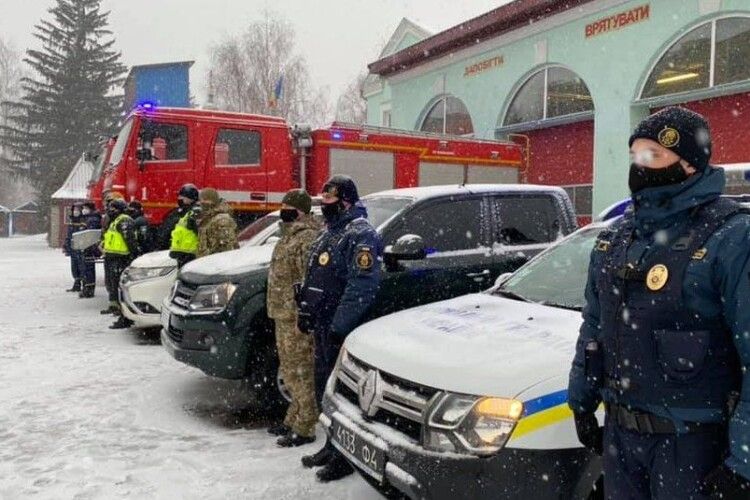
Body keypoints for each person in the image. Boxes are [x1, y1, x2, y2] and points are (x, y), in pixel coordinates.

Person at [568, 107, 750, 499]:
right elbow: (593, 323)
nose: (640, 166)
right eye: (636, 156)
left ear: (688, 164)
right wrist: (581, 399)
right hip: (621, 440)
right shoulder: (617, 238)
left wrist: (744, 463)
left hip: (694, 447)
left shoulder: (732, 238)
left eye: (653, 156)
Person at [296, 175, 383, 482]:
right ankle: (331, 444)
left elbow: (363, 285)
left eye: (329, 203)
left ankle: (345, 455)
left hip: (340, 329)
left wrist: (339, 325)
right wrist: (305, 306)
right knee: (323, 388)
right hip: (322, 324)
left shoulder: (360, 234)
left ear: (345, 202)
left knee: (342, 395)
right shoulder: (330, 232)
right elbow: (318, 273)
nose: (324, 208)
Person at [266, 189, 322, 447]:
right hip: (282, 313)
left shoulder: (307, 238)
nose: (283, 209)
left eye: (288, 206)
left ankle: (306, 426)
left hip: (295, 317)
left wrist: (304, 315)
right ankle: (293, 418)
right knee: (289, 371)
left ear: (299, 210)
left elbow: (307, 281)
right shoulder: (288, 236)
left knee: (301, 372)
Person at [102, 199, 138, 330]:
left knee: (120, 287)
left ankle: (124, 315)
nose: (110, 211)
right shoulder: (116, 220)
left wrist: (133, 255)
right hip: (112, 257)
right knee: (113, 284)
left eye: (113, 208)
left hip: (121, 258)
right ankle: (116, 308)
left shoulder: (124, 221)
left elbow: (130, 240)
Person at [100, 191, 125, 315]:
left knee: (116, 281)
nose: (108, 206)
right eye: (108, 202)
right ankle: (113, 303)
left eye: (111, 203)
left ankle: (119, 306)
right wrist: (102, 243)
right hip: (109, 253)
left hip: (118, 255)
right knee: (110, 281)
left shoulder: (121, 219)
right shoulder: (108, 217)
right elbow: (106, 233)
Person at [195, 188, 238, 258]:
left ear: (211, 201)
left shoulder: (222, 220)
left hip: (215, 264)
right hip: (207, 263)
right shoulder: (209, 218)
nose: (201, 203)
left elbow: (227, 247)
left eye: (204, 200)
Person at [168, 184, 200, 268]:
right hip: (183, 255)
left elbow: (201, 234)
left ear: (190, 198)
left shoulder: (195, 213)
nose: (180, 199)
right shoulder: (187, 212)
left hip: (189, 256)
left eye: (183, 197)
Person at [77, 201, 102, 299]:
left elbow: (90, 235)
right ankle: (86, 288)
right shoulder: (88, 218)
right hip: (86, 247)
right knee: (86, 269)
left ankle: (89, 289)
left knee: (88, 269)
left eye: (85, 208)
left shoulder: (93, 219)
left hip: (89, 248)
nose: (83, 210)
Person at [63, 202, 85, 292]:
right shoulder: (72, 222)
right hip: (73, 248)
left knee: (82, 267)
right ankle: (76, 284)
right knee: (74, 267)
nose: (76, 212)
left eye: (78, 210)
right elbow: (69, 235)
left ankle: (84, 285)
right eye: (75, 210)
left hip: (81, 248)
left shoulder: (83, 221)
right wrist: (66, 246)